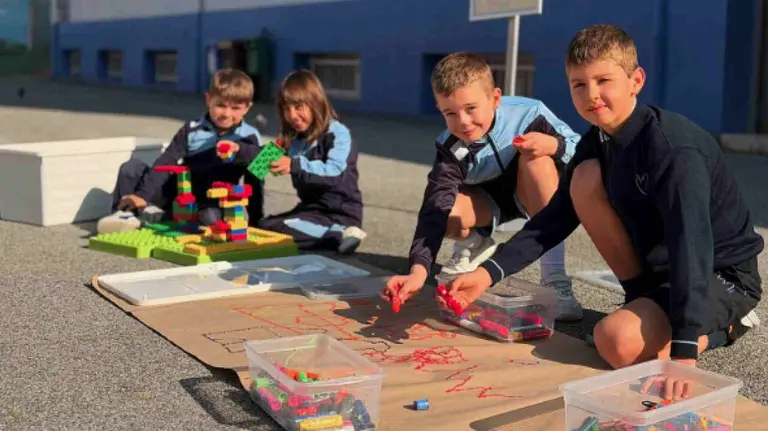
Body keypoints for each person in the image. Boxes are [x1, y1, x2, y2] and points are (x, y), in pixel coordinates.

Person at [441, 24, 763, 374]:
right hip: (664, 271)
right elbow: (552, 221)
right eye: (579, 84)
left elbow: (692, 247)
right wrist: (487, 274)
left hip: (719, 274)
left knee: (614, 342)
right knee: (584, 178)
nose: (591, 95)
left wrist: (684, 351)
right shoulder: (596, 142)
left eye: (603, 80)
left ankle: (728, 327)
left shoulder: (673, 150)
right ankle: (641, 300)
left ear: (636, 81)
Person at [381, 52, 583, 321]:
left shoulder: (530, 113)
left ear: (495, 98)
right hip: (488, 204)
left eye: (471, 108)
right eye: (450, 113)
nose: (463, 121)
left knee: (538, 159)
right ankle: (476, 244)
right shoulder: (450, 146)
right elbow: (435, 205)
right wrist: (418, 270)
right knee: (444, 208)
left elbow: (582, 150)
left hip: (531, 192)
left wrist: (554, 145)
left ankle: (555, 277)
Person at [96, 68, 265, 234]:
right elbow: (166, 160)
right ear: (208, 99)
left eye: (235, 108)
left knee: (210, 220)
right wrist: (142, 195)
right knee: (131, 169)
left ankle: (162, 216)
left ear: (247, 108)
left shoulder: (251, 136)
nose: (226, 114)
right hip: (179, 193)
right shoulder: (191, 129)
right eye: (220, 105)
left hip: (212, 200)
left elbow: (256, 180)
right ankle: (124, 216)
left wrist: (255, 220)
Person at [257, 69, 367, 254]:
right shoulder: (292, 137)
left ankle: (340, 234)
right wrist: (238, 150)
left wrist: (293, 165)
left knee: (278, 231)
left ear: (315, 103)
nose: (292, 115)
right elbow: (258, 164)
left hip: (340, 213)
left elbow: (335, 172)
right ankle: (332, 235)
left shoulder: (338, 133)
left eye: (298, 107)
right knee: (263, 227)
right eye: (286, 109)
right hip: (311, 212)